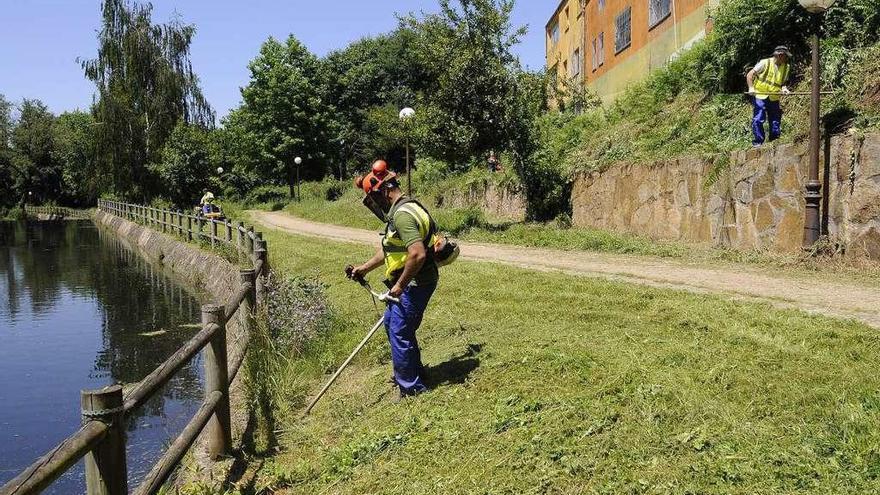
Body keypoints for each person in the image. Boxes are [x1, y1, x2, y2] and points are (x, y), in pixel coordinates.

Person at [348, 160, 439, 399]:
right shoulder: (405, 208)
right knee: (393, 325)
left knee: (399, 329)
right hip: (411, 281)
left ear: (384, 191)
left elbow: (417, 253)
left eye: (374, 199)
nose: (375, 204)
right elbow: (392, 249)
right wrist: (364, 269)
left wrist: (400, 285)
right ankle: (414, 372)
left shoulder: (402, 216)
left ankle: (411, 388)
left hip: (415, 283)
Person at [746, 46, 792, 147]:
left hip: (774, 97)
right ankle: (758, 142)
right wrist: (751, 88)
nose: (787, 59)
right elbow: (750, 75)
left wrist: (784, 88)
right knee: (758, 119)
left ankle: (774, 142)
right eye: (786, 56)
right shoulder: (765, 63)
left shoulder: (786, 67)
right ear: (780, 55)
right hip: (760, 95)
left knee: (775, 120)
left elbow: (783, 82)